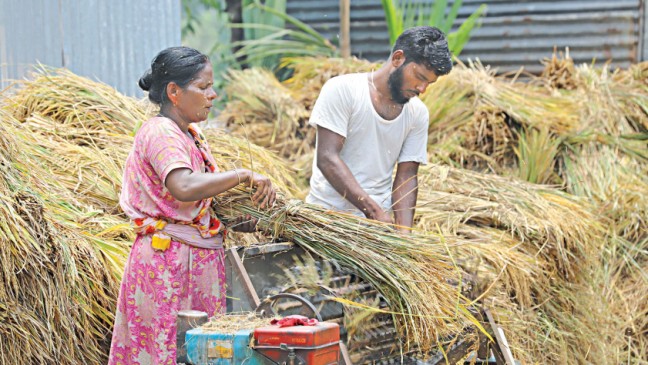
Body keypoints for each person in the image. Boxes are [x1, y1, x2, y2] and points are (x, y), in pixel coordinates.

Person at [108, 46, 276, 365]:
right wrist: (242, 175)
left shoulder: (192, 135)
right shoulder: (160, 132)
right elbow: (183, 186)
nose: (212, 95)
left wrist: (259, 220)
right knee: (163, 351)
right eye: (203, 87)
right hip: (166, 263)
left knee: (199, 353)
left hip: (195, 261)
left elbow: (201, 207)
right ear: (174, 91)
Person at [305, 26, 452, 232]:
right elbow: (327, 158)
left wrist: (403, 236)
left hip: (374, 230)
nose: (422, 89)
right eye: (419, 77)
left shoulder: (417, 113)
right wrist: (373, 211)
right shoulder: (343, 90)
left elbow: (407, 176)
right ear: (398, 58)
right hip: (325, 221)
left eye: (429, 83)